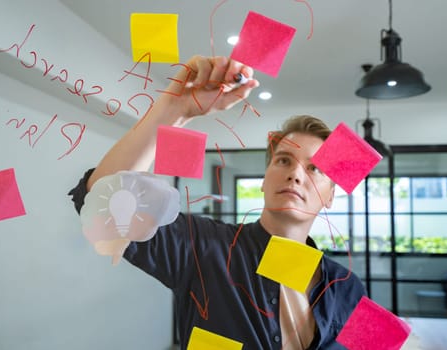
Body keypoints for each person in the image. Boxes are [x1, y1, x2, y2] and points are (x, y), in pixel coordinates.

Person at [69, 55, 366, 349]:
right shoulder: (206, 248)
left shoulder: (347, 287)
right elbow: (101, 202)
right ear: (264, 180)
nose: (296, 175)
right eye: (284, 160)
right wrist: (175, 109)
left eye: (314, 168)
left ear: (330, 195)